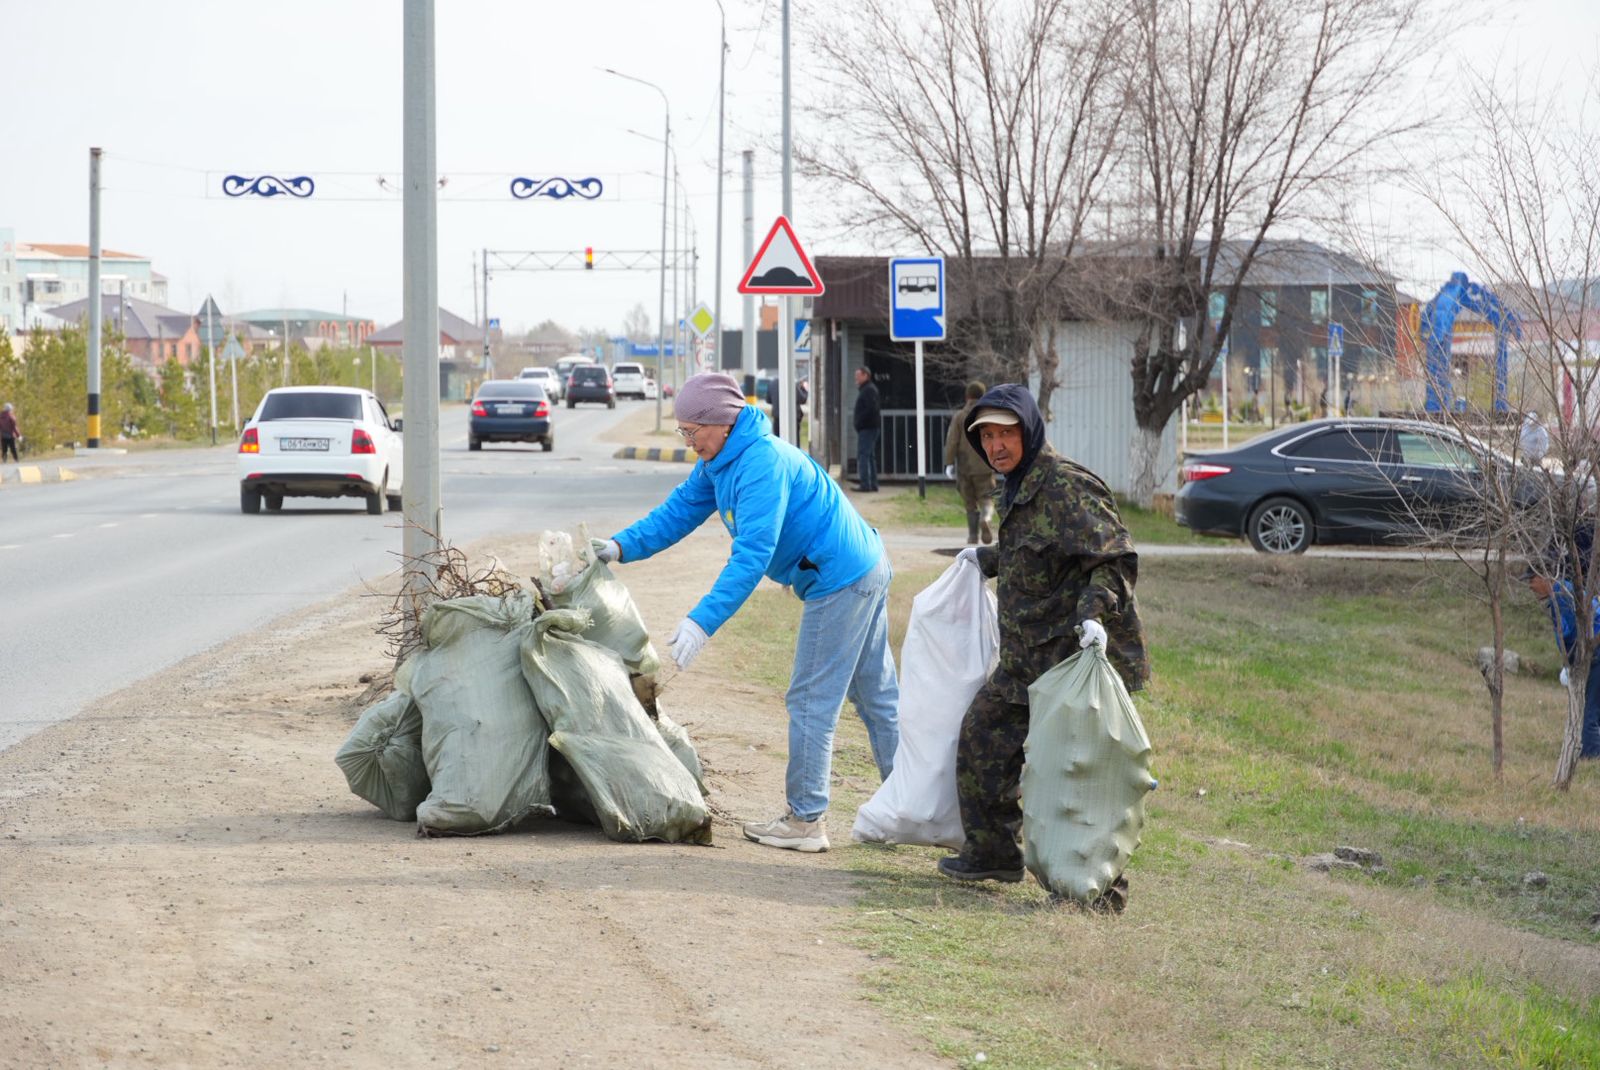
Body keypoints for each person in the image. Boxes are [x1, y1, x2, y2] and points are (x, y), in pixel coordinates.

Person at [593, 372, 900, 851]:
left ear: (722, 422)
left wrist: (701, 620)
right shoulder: (720, 461)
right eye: (684, 432)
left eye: (693, 431)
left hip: (840, 579)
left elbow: (753, 554)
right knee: (875, 697)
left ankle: (806, 820)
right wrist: (619, 546)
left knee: (810, 700)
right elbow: (677, 513)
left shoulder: (760, 463)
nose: (689, 441)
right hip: (861, 565)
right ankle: (904, 806)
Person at [940, 384, 1149, 906]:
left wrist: (1094, 617)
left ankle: (1098, 891)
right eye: (986, 436)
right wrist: (986, 559)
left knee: (1075, 777)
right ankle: (993, 853)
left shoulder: (1065, 486)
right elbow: (1036, 554)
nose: (995, 446)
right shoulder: (1015, 484)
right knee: (982, 740)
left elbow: (1114, 562)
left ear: (1028, 431)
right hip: (1028, 660)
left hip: (1076, 659)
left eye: (1005, 433)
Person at [1528, 568, 1600, 760]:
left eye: (1532, 580)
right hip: (1589, 654)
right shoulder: (1562, 594)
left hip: (1594, 653)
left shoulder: (1564, 596)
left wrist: (1574, 659)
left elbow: (1574, 631)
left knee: (1588, 708)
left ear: (1543, 577)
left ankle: (1591, 755)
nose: (1530, 586)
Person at [942, 380, 999, 544]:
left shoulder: (960, 416)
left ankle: (972, 535)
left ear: (967, 396)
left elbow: (952, 441)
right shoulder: (988, 416)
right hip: (984, 465)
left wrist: (949, 462)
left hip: (965, 467)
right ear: (983, 396)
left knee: (970, 502)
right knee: (987, 497)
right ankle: (986, 518)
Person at [853, 366, 881, 492]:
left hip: (868, 428)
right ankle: (873, 484)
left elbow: (871, 409)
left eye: (858, 375)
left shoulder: (869, 390)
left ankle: (865, 484)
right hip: (869, 427)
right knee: (870, 456)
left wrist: (860, 422)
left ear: (865, 375)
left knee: (864, 455)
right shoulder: (867, 389)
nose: (856, 378)